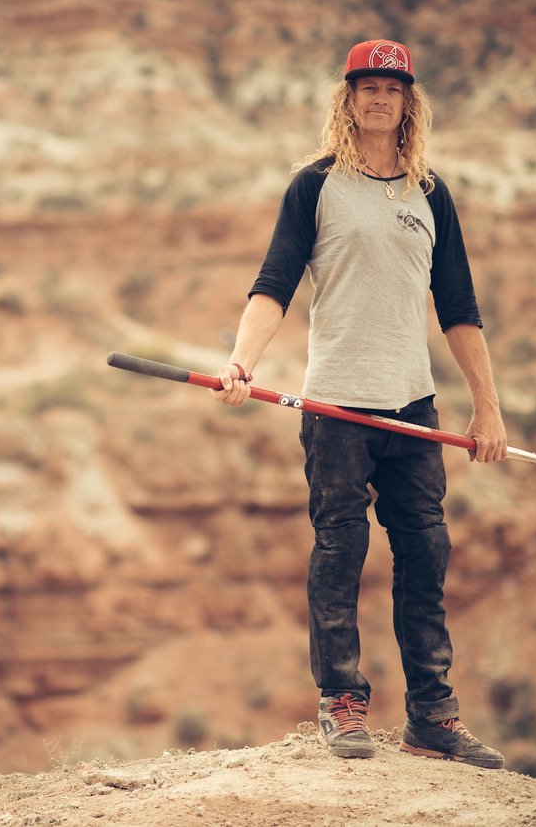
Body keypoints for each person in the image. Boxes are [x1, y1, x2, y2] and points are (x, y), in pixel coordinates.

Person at [209, 39, 506, 769]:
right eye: (366, 86)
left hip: (414, 410)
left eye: (392, 87)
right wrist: (242, 362)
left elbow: (460, 307)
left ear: (409, 103)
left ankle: (433, 717)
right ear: (348, 99)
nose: (379, 97)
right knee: (340, 555)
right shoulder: (313, 187)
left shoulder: (431, 194)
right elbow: (273, 283)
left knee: (425, 557)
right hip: (336, 408)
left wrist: (487, 409)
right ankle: (340, 702)